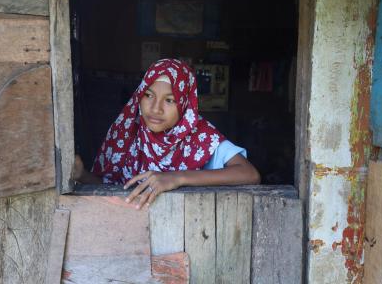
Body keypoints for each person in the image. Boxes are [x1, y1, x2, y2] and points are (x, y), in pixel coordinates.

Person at [73, 58, 260, 209]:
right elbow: (109, 187)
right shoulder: (126, 131)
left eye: (169, 100)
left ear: (185, 105)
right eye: (149, 95)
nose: (156, 108)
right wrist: (81, 174)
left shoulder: (200, 135)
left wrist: (177, 177)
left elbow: (249, 174)